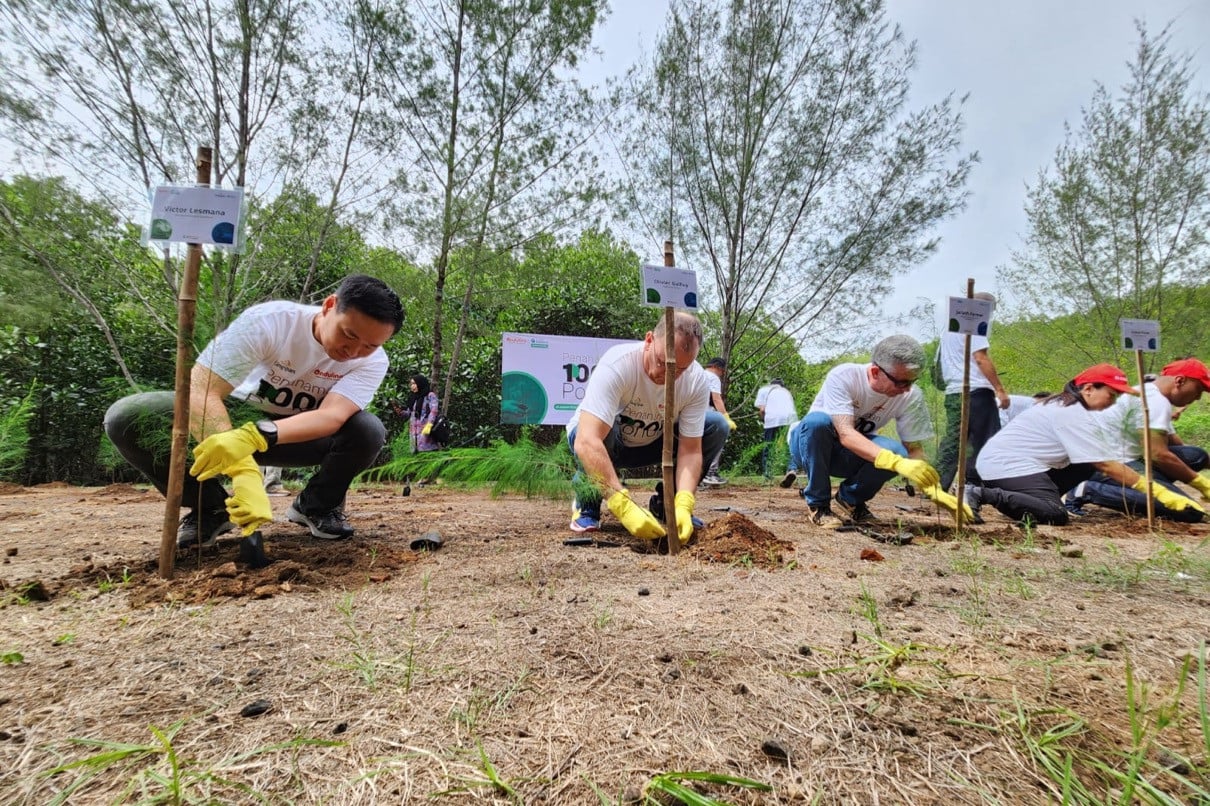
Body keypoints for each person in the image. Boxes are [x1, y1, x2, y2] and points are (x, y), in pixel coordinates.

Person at [104, 274, 404, 546]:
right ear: (329, 306)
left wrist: (257, 437)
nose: (353, 352)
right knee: (129, 417)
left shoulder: (373, 361)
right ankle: (209, 507)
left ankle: (316, 506)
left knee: (367, 430)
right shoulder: (271, 322)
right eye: (349, 335)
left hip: (295, 436)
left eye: (370, 345)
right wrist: (242, 470)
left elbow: (331, 417)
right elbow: (203, 388)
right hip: (232, 417)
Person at [967, 364, 1204, 526]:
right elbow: (1106, 465)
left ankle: (1032, 500)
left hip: (1031, 465)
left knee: (1085, 466)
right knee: (1055, 514)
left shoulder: (1076, 408)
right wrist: (1156, 491)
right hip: (1006, 465)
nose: (1113, 402)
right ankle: (980, 493)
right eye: (1111, 395)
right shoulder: (1070, 413)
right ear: (1089, 389)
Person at [565, 312, 728, 545]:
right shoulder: (619, 364)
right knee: (598, 427)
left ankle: (668, 507)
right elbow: (587, 440)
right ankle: (587, 504)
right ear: (649, 340)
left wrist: (684, 501)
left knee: (716, 425)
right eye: (663, 363)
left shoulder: (696, 381)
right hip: (608, 444)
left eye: (680, 369)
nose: (669, 376)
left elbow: (691, 450)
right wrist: (622, 505)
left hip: (653, 442)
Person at [788, 335, 963, 528]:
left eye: (912, 382)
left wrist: (932, 486)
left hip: (850, 455)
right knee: (817, 422)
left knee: (898, 452)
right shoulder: (844, 376)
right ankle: (819, 505)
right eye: (900, 382)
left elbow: (914, 449)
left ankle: (850, 499)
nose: (906, 389)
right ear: (875, 371)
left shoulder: (911, 396)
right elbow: (845, 433)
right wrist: (894, 463)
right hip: (809, 448)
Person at [1071, 358, 1210, 522]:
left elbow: (1176, 446)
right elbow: (1158, 455)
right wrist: (1202, 484)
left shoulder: (1151, 394)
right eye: (1199, 389)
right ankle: (1087, 490)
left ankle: (1155, 486)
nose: (1199, 397)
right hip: (1108, 465)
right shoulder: (1154, 401)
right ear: (1180, 381)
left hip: (1130, 457)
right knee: (1189, 511)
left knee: (1196, 455)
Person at [935, 292, 1010, 491]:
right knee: (984, 441)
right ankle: (973, 487)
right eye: (991, 310)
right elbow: (980, 358)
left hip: (954, 391)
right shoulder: (975, 322)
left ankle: (936, 485)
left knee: (955, 440)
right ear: (985, 308)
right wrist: (1000, 390)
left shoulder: (950, 328)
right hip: (975, 390)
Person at [701, 357, 737, 486]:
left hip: (691, 415)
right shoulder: (712, 377)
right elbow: (716, 399)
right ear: (716, 367)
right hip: (707, 415)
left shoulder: (698, 373)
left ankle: (698, 476)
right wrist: (725, 417)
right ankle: (711, 473)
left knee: (696, 446)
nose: (721, 374)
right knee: (717, 442)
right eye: (722, 371)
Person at [757, 378, 797, 483]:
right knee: (789, 444)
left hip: (772, 420)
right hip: (790, 419)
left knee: (768, 446)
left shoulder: (765, 390)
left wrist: (762, 418)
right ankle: (791, 469)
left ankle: (768, 476)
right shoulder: (786, 392)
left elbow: (762, 410)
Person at [401, 373, 442, 453]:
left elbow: (434, 411)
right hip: (414, 433)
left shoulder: (430, 396)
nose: (412, 386)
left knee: (427, 453)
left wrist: (429, 425)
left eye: (414, 383)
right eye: (411, 384)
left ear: (420, 383)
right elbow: (409, 413)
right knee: (416, 455)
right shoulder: (414, 398)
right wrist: (400, 411)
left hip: (425, 430)